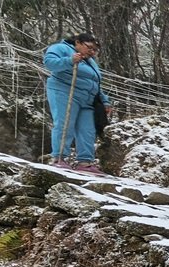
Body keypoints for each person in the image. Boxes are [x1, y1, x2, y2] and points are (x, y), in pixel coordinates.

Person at [43, 33, 111, 174]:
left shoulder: (90, 61)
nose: (92, 52)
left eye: (94, 50)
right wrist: (69, 60)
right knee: (64, 123)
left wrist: (104, 100)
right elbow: (49, 63)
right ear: (78, 42)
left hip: (87, 98)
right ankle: (59, 158)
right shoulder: (60, 48)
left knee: (87, 130)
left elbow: (95, 82)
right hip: (65, 91)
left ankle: (85, 162)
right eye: (89, 48)